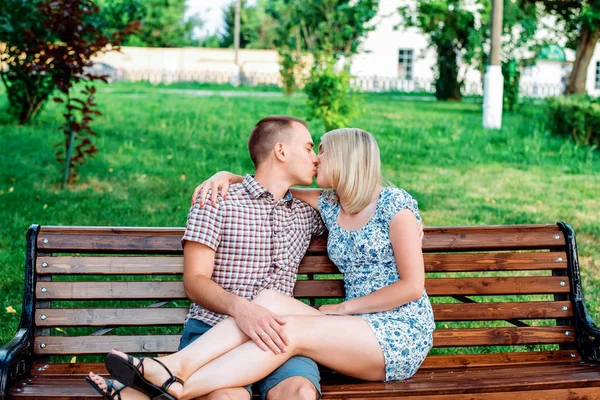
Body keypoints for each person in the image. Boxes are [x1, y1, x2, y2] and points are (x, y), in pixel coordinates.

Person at [91, 125, 435, 400]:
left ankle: (175, 386)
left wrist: (344, 309)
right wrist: (227, 174)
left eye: (322, 151)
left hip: (393, 331)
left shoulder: (394, 206)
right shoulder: (329, 205)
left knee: (289, 334)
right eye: (311, 148)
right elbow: (268, 186)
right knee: (267, 300)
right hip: (346, 328)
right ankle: (172, 368)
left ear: (345, 160)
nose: (316, 159)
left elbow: (412, 286)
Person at [86, 115, 329, 400]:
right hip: (212, 330)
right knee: (227, 398)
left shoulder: (308, 213)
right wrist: (241, 309)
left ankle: (145, 392)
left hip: (279, 337)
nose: (316, 158)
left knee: (300, 393)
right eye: (309, 147)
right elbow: (195, 281)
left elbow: (352, 198)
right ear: (281, 151)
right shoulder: (216, 200)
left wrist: (230, 173)